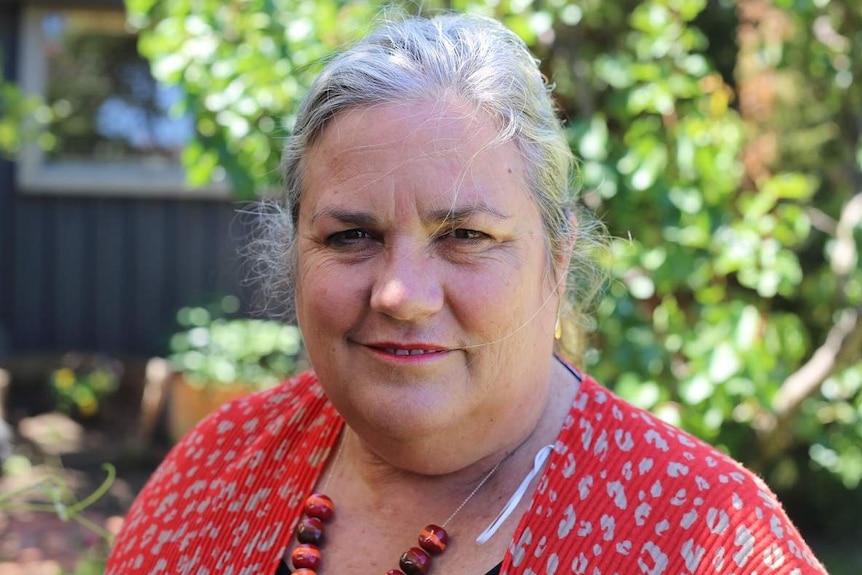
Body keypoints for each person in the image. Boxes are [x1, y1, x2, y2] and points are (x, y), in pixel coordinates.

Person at [106, 12, 827, 575]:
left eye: (466, 235)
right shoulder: (219, 465)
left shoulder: (706, 534)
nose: (401, 292)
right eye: (351, 236)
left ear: (558, 255)